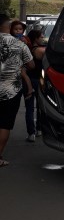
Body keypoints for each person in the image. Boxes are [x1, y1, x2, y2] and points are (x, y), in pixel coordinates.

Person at [0, 14, 34, 166]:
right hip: (11, 91)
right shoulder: (20, 44)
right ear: (8, 26)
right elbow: (32, 65)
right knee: (4, 124)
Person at [10, 20, 35, 140]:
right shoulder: (8, 40)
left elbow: (31, 58)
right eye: (16, 29)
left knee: (29, 105)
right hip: (13, 76)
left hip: (25, 73)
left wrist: (26, 44)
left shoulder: (26, 40)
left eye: (20, 29)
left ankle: (32, 132)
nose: (18, 31)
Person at [26, 28, 46, 141]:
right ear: (35, 39)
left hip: (29, 79)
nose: (43, 38)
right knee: (40, 106)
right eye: (41, 36)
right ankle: (38, 129)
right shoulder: (39, 50)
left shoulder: (28, 49)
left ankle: (31, 133)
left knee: (29, 107)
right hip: (39, 79)